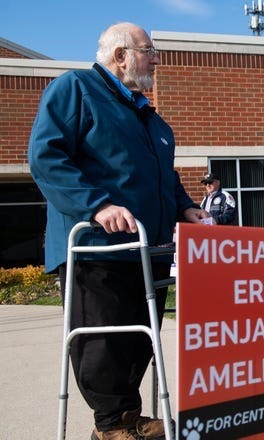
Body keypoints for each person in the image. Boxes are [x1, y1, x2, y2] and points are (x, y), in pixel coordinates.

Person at [28, 22, 209, 440]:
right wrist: (97, 205)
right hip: (96, 249)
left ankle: (129, 419)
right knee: (104, 344)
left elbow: (164, 176)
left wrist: (185, 206)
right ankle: (109, 426)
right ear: (120, 55)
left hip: (148, 251)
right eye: (149, 50)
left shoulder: (151, 119)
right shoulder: (76, 90)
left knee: (137, 343)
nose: (157, 58)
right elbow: (46, 156)